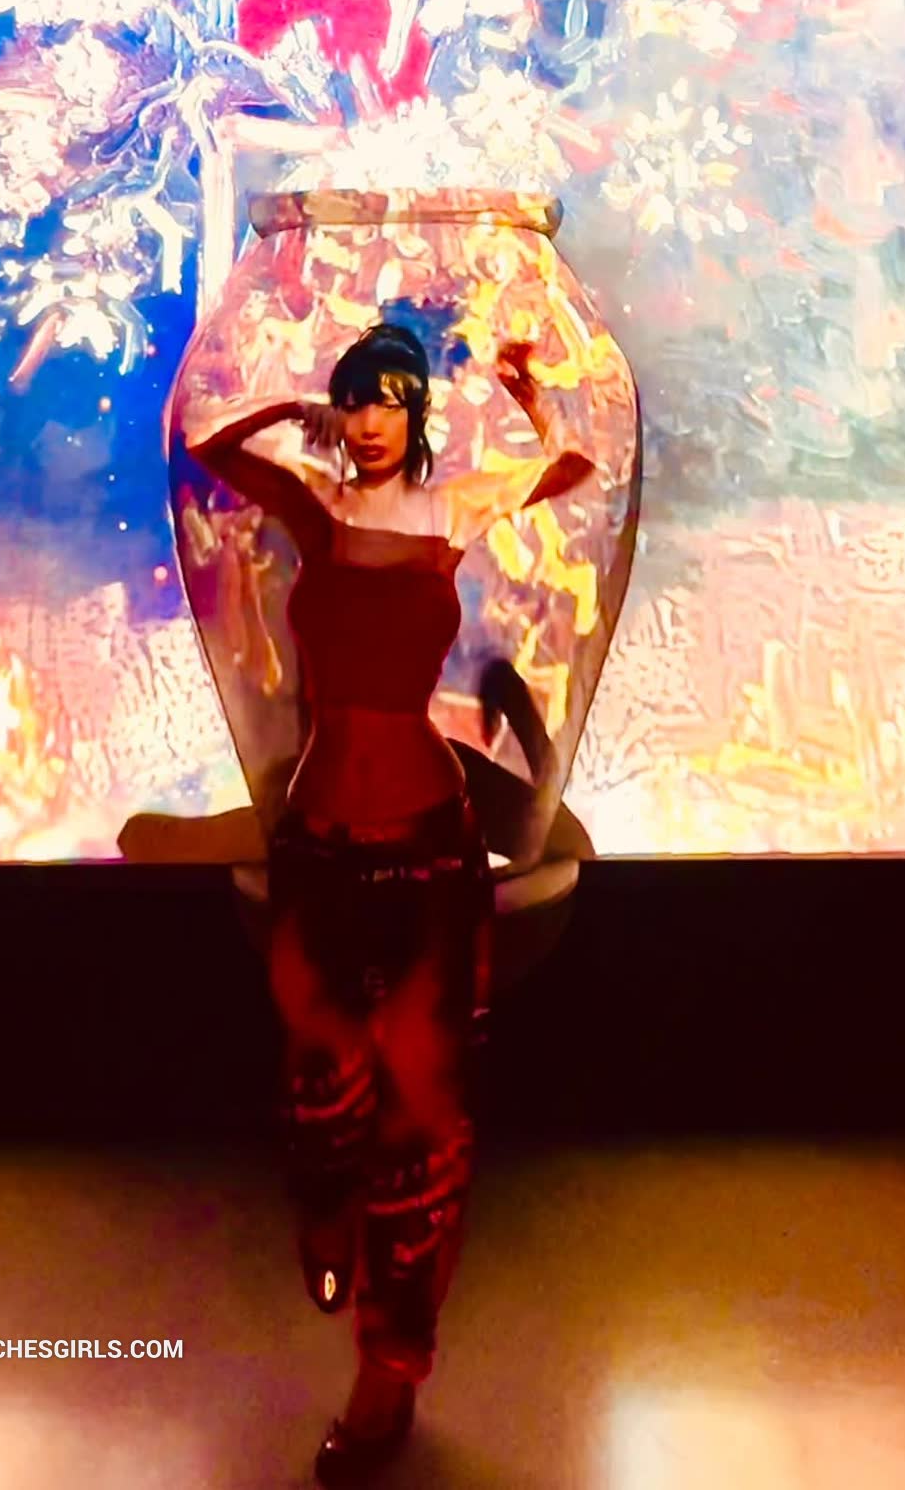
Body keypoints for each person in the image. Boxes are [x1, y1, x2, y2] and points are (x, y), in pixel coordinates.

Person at [183, 321, 594, 1484]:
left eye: (386, 402)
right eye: (351, 401)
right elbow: (211, 449)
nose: (366, 422)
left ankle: (388, 1373)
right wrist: (287, 410)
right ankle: (324, 1210)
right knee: (317, 1067)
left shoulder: (449, 509)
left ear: (417, 414)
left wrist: (525, 390)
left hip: (425, 848)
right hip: (318, 842)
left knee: (424, 1111)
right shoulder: (317, 509)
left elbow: (570, 466)